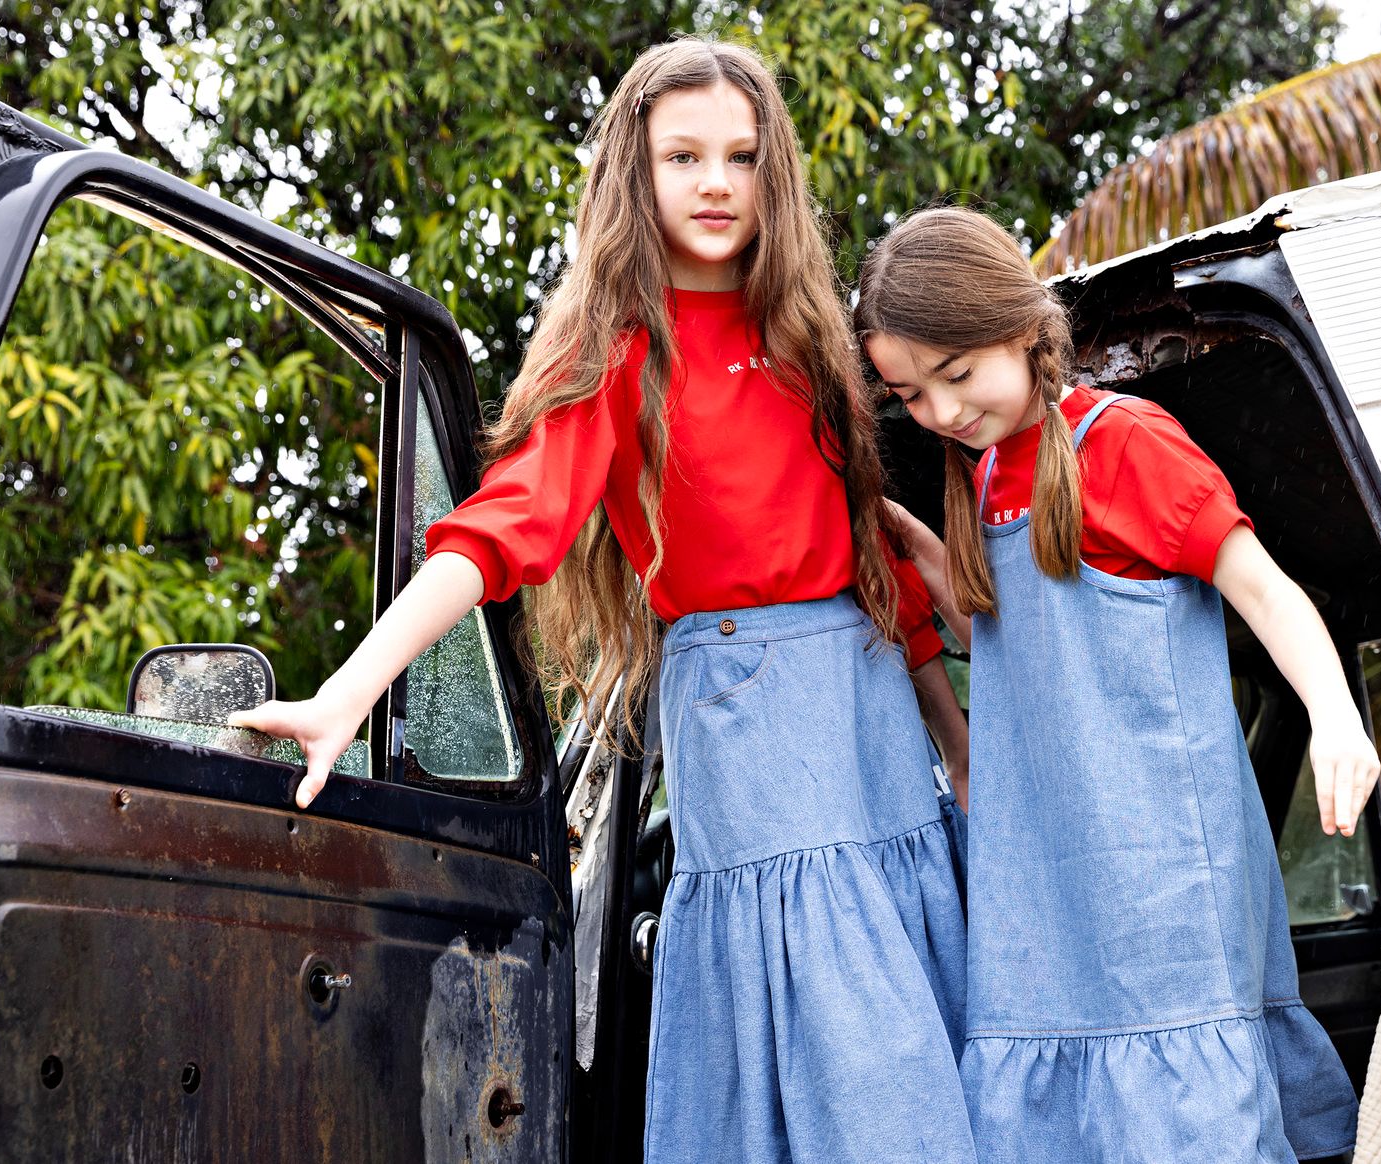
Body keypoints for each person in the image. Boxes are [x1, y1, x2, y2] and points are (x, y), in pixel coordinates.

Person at [234, 40, 975, 1164]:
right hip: (751, 723)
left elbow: (869, 563)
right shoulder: (622, 349)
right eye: (684, 157)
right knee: (851, 1061)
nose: (716, 183)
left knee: (912, 1023)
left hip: (871, 720)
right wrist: (349, 692)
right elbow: (504, 527)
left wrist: (955, 744)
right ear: (636, 172)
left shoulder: (809, 334)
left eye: (741, 156)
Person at [855, 205, 1372, 1163]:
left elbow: (1264, 589)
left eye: (957, 375)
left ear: (1020, 326)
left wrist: (1335, 713)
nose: (942, 412)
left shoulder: (1125, 441)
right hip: (1042, 873)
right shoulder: (983, 478)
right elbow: (1010, 642)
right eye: (911, 395)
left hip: (1158, 867)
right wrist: (913, 542)